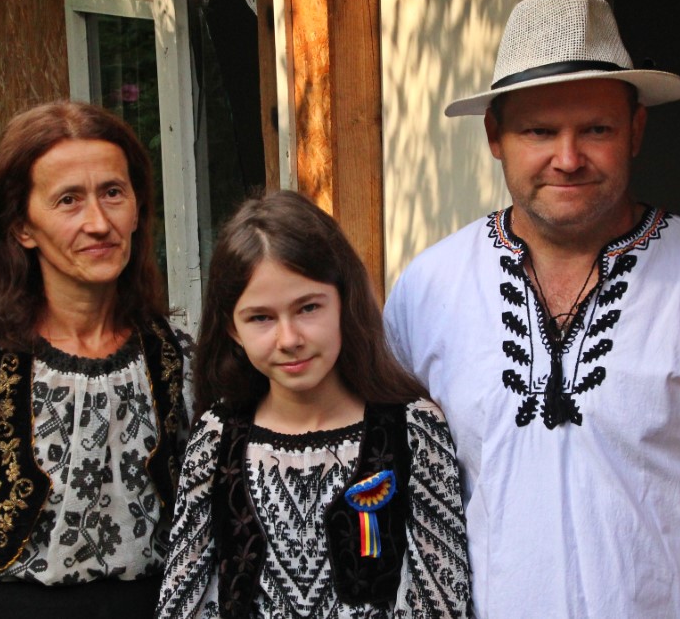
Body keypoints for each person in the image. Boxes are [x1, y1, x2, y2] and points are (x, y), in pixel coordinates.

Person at [383, 0, 680, 618]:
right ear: (495, 137)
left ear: (636, 131)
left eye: (596, 129)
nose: (567, 159)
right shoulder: (428, 292)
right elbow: (386, 484)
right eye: (538, 131)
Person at [0, 101, 195, 619]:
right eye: (68, 200)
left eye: (113, 192)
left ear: (137, 208)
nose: (99, 223)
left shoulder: (181, 360)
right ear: (22, 227)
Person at [156, 190, 471, 618]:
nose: (289, 339)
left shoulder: (413, 430)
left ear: (343, 300)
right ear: (232, 328)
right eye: (261, 318)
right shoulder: (217, 438)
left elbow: (441, 599)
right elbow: (184, 598)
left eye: (307, 308)